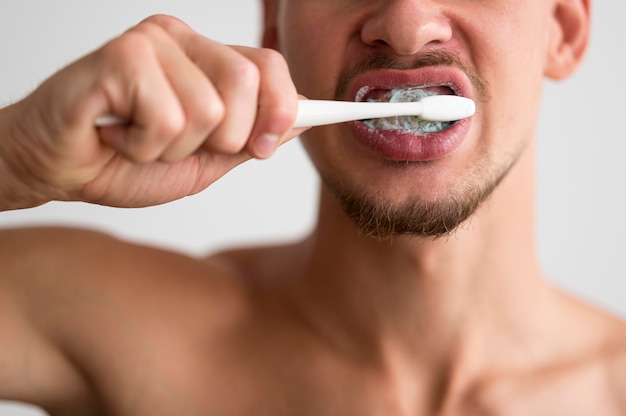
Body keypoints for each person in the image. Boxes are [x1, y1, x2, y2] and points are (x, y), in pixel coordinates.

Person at [1, 0, 625, 414]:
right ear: (275, 25)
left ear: (564, 27)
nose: (406, 24)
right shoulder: (116, 324)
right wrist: (15, 160)